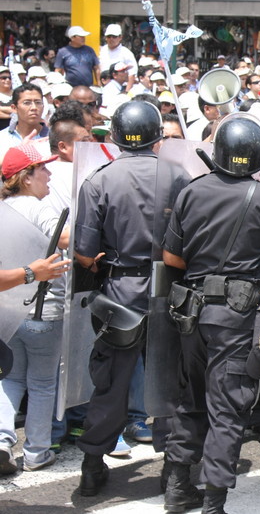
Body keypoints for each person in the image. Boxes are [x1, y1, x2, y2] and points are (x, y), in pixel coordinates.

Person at [163, 116, 260, 514]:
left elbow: (172, 256)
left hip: (192, 310)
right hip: (237, 317)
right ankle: (214, 502)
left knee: (190, 399)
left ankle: (177, 487)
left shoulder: (191, 192)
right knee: (227, 408)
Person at [71, 101, 163, 496]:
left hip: (120, 292)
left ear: (114, 137)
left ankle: (93, 465)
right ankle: (177, 473)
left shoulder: (98, 180)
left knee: (110, 383)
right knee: (171, 382)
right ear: (158, 137)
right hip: (168, 291)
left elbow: (84, 252)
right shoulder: (180, 176)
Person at [0, 145, 68, 474]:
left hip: (8, 309)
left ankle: (1, 440)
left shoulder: (3, 207)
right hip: (44, 307)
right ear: (26, 177)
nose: (49, 174)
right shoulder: (38, 208)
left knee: (10, 377)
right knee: (42, 383)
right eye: (43, 168)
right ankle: (37, 452)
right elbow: (66, 236)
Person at [0, 83, 49, 161]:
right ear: (14, 108)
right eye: (27, 103)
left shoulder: (53, 138)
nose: (34, 107)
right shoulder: (2, 138)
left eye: (38, 102)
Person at [98, 24, 136, 93]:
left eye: (114, 37)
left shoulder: (126, 53)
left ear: (120, 37)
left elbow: (131, 74)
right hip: (104, 87)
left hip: (121, 89)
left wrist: (126, 92)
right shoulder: (101, 51)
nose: (111, 39)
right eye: (109, 37)